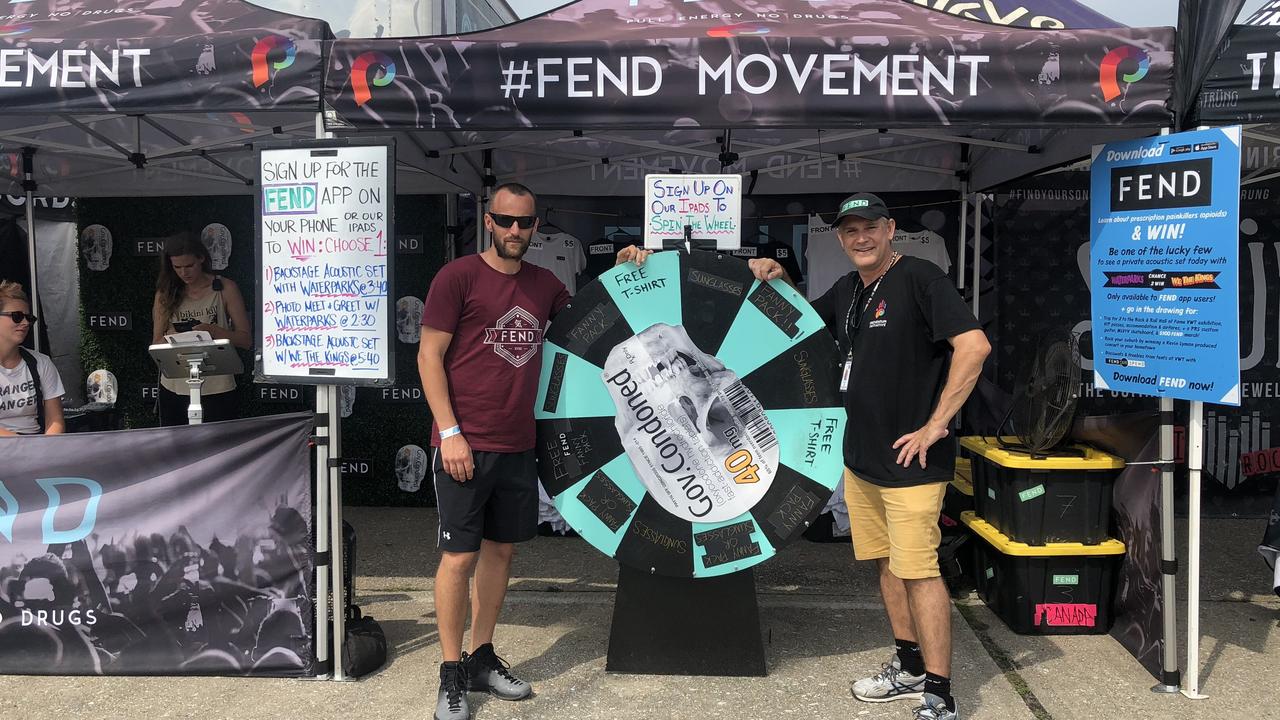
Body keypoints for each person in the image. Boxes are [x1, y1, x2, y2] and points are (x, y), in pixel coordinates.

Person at [618, 192, 990, 720]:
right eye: (849, 232)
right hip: (863, 457)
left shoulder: (920, 277)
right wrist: (773, 279)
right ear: (840, 239)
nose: (860, 239)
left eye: (869, 229)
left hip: (912, 464)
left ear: (889, 230)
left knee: (919, 570)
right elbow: (797, 331)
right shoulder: (850, 290)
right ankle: (908, 667)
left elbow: (974, 346)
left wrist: (937, 425)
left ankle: (940, 693)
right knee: (887, 566)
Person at [418, 182, 570, 720]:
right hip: (465, 441)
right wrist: (450, 431)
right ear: (488, 220)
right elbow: (429, 357)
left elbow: (598, 318)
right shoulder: (457, 277)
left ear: (535, 226)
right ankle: (451, 672)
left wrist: (634, 264)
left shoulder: (545, 284)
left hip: (517, 443)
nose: (514, 231)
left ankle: (482, 657)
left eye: (524, 223)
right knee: (458, 557)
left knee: (502, 552)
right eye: (505, 220)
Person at [150, 233, 251, 426]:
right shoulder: (165, 293)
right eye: (177, 267)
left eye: (189, 266)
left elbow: (245, 339)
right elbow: (156, 343)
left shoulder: (225, 288)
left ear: (201, 259)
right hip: (175, 386)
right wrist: (174, 338)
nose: (183, 273)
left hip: (218, 384)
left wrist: (212, 331)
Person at [0, 279, 65, 436]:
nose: (25, 323)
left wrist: (46, 451)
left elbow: (55, 419)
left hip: (36, 448)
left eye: (29, 318)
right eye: (16, 316)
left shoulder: (41, 363)